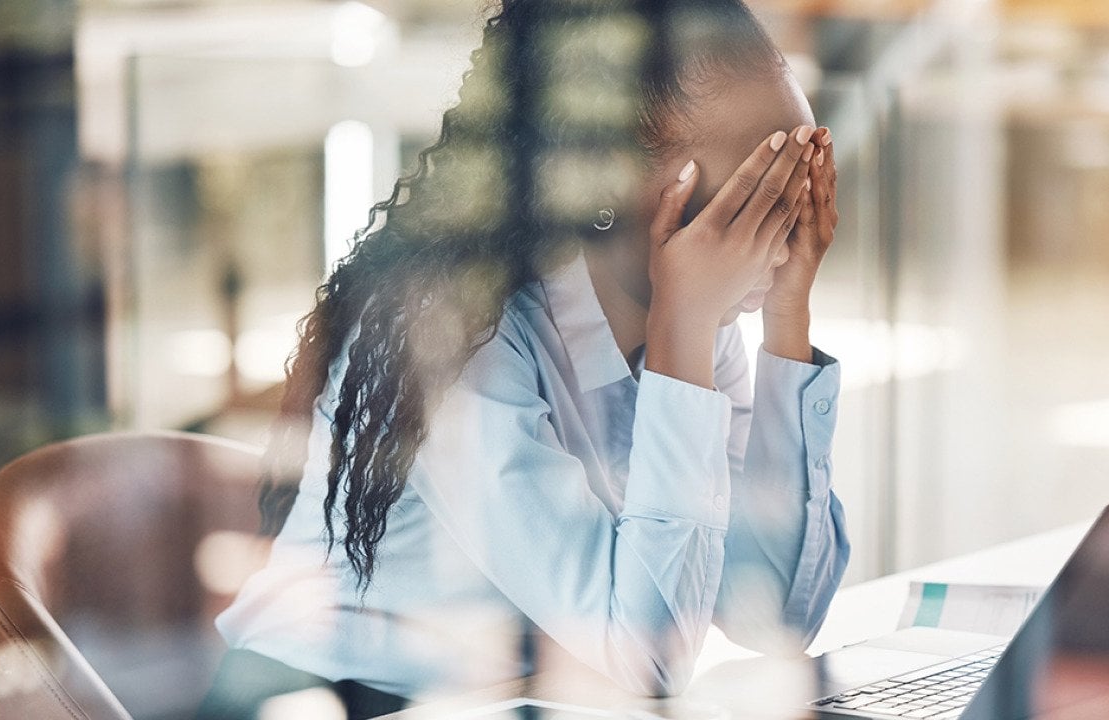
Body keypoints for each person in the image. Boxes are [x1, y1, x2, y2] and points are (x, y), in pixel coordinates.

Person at [200, 0, 848, 717]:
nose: (787, 235)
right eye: (758, 198)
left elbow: (775, 616)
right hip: (323, 697)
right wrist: (687, 329)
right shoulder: (461, 339)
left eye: (801, 181)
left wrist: (788, 318)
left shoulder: (694, 317)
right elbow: (651, 656)